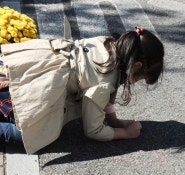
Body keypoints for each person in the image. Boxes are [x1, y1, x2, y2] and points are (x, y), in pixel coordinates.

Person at [0, 26, 164, 154]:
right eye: (140, 78)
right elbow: (94, 130)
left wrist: (114, 121)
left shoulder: (107, 44)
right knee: (32, 135)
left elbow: (101, 93)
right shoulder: (105, 81)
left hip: (21, 66)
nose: (135, 82)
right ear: (136, 66)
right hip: (23, 90)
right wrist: (124, 133)